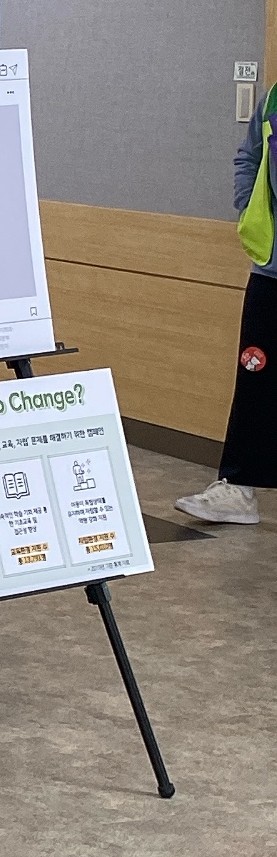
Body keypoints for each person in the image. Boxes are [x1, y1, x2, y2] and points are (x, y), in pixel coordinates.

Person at [179, 81, 277, 525]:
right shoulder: (275, 98)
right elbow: (249, 155)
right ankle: (237, 487)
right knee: (256, 373)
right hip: (273, 267)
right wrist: (246, 206)